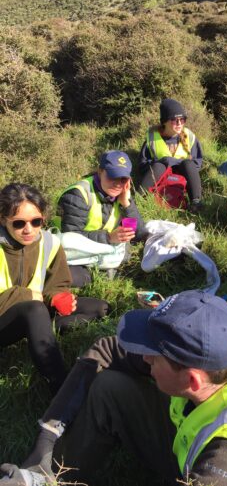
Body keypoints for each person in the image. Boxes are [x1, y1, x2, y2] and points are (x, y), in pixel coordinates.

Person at [0, 290, 227, 486]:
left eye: (153, 358)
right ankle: (51, 477)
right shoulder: (222, 352)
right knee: (109, 387)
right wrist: (43, 448)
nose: (143, 359)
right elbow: (105, 350)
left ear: (191, 380)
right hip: (196, 442)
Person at [0, 183, 109, 395]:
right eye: (19, 223)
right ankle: (63, 390)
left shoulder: (49, 242)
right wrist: (31, 295)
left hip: (35, 310)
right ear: (4, 220)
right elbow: (32, 299)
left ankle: (38, 334)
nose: (29, 229)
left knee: (99, 308)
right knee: (35, 310)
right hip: (5, 319)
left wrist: (57, 296)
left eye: (36, 221)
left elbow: (57, 283)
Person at [56, 150, 147, 287]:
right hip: (68, 251)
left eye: (123, 179)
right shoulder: (78, 194)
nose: (117, 184)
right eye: (112, 176)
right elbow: (70, 237)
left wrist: (127, 204)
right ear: (100, 172)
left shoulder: (121, 194)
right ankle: (102, 273)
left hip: (99, 248)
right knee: (73, 276)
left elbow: (139, 234)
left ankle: (104, 272)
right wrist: (109, 237)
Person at [139, 98, 204, 212]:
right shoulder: (152, 138)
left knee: (188, 164)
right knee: (159, 166)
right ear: (164, 121)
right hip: (160, 176)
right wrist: (161, 162)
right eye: (174, 119)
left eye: (182, 119)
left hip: (182, 177)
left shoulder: (189, 136)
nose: (179, 123)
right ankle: (138, 200)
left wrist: (175, 163)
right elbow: (142, 165)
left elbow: (197, 164)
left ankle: (196, 202)